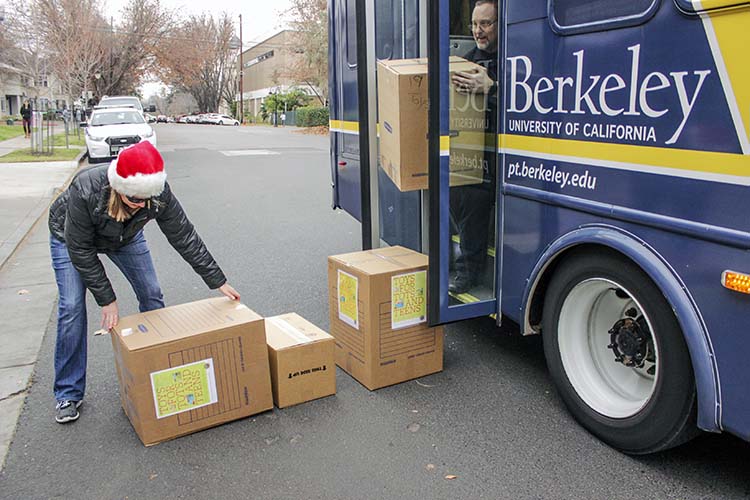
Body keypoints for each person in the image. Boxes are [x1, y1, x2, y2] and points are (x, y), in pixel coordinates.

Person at [47, 141, 240, 424]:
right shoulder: (87, 188)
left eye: (145, 201)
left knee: (152, 293)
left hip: (125, 236)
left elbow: (183, 236)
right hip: (71, 239)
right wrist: (108, 299)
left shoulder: (157, 193)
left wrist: (217, 280)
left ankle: (157, 369)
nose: (141, 206)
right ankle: (67, 392)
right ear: (118, 188)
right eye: (134, 200)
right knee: (72, 306)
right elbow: (81, 250)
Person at [448, 0, 499, 295]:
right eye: (475, 24)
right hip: (474, 154)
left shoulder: (516, 60)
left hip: (508, 154)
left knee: (475, 199)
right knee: (460, 193)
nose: (478, 31)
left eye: (486, 24)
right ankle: (462, 268)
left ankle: (469, 270)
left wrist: (492, 86)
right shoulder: (466, 64)